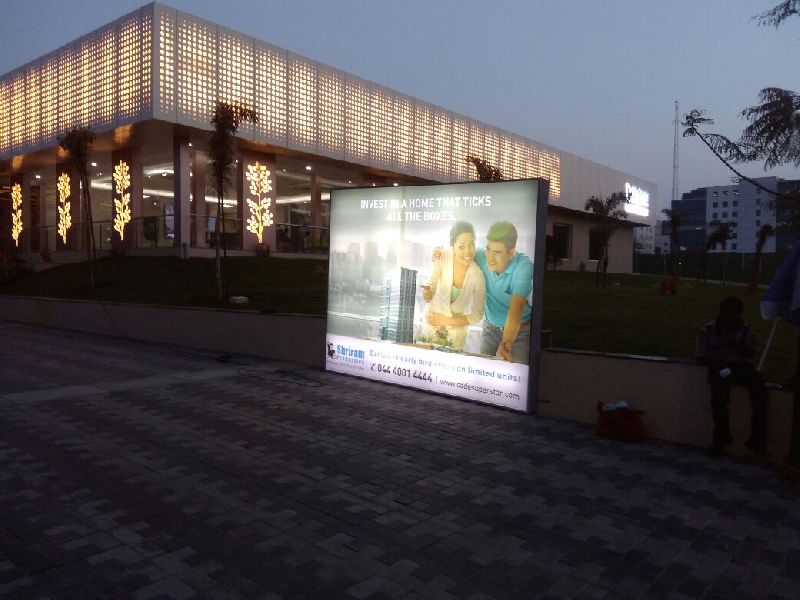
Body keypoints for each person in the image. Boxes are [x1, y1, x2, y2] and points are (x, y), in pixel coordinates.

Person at [695, 296, 768, 456]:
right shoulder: (707, 330)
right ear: (722, 313)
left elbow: (750, 353)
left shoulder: (745, 330)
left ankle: (757, 440)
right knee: (718, 398)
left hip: (739, 367)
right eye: (731, 313)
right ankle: (721, 438)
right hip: (718, 367)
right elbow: (700, 356)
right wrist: (718, 366)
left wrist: (736, 346)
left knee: (760, 391)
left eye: (737, 313)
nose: (734, 317)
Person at [474, 221, 533, 363]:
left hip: (519, 332)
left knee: (515, 376)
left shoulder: (524, 267)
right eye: (488, 250)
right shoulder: (480, 256)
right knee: (484, 374)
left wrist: (505, 346)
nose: (490, 258)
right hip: (489, 329)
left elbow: (515, 311)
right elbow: (457, 255)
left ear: (511, 252)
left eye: (497, 252)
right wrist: (440, 255)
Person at [422, 221, 485, 351]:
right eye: (461, 246)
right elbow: (430, 288)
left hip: (456, 334)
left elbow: (477, 315)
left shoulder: (477, 275)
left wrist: (445, 320)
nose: (468, 251)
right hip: (431, 325)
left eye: (471, 244)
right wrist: (427, 293)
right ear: (453, 246)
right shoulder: (443, 255)